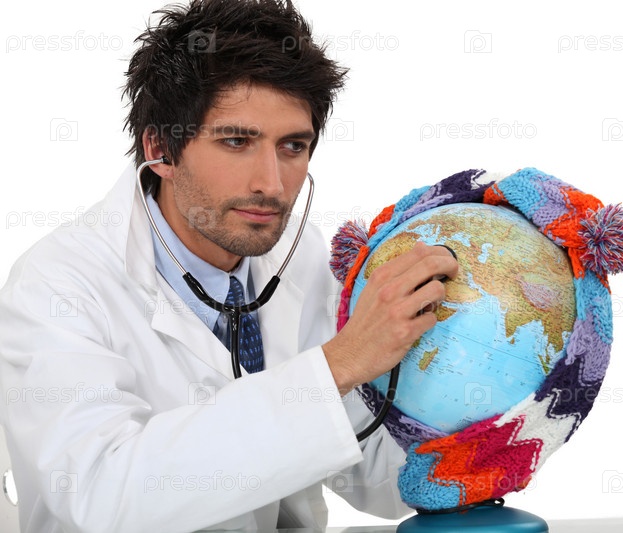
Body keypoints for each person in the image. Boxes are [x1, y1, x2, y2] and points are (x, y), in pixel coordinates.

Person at [0, 0, 458, 531]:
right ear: (160, 148)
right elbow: (103, 497)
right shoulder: (55, 286)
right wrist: (339, 364)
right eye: (237, 141)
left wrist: (495, 396)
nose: (271, 183)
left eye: (292, 146)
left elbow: (374, 470)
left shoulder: (300, 256)